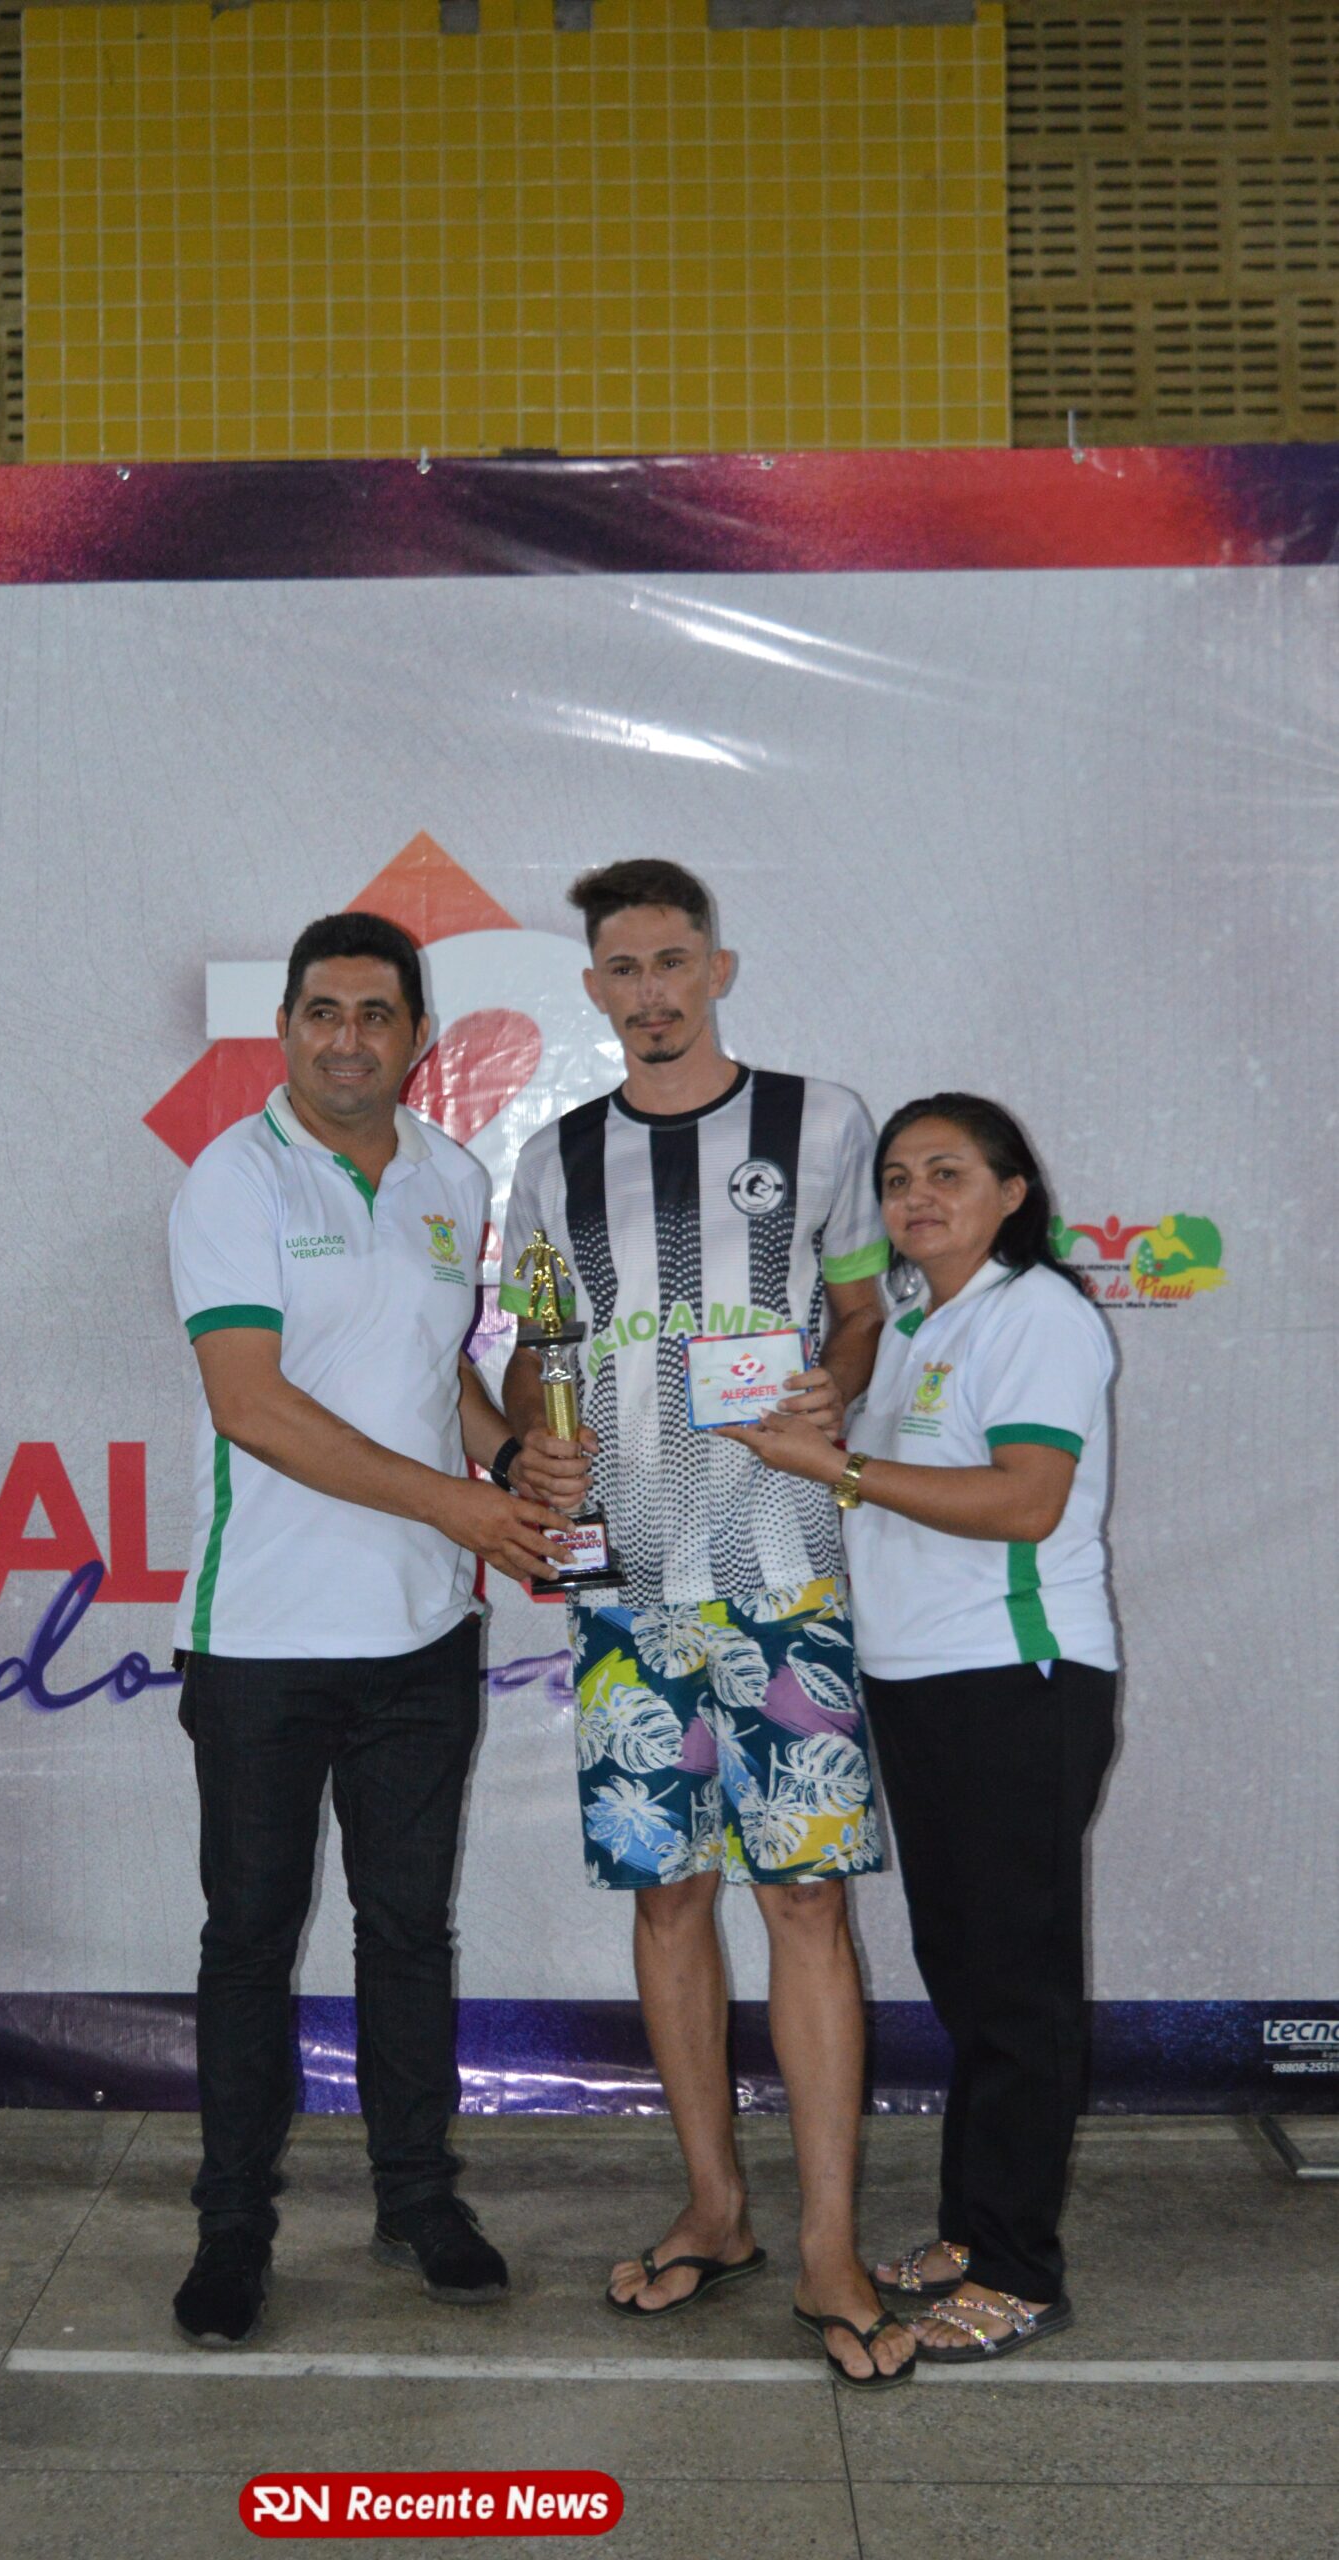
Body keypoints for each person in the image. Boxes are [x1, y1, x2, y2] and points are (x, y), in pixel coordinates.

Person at [497, 859, 913, 2389]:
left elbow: (859, 1308)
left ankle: (827, 2246)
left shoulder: (822, 1122)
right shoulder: (550, 1157)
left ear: (717, 969)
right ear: (592, 989)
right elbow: (535, 1348)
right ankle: (715, 2208)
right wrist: (527, 1447)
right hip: (625, 1590)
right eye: (622, 969)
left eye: (673, 961)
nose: (651, 992)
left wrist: (832, 1387)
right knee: (667, 1900)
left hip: (781, 1573)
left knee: (804, 1906)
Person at [166, 910, 582, 2347]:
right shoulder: (232, 1178)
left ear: (416, 1036)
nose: (348, 1038)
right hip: (263, 1636)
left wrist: (505, 1460)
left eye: (375, 1014)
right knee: (248, 1938)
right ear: (285, 1027)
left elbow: (431, 1375)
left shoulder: (450, 1177)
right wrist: (459, 1502)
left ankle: (417, 2201)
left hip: (419, 1632)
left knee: (406, 1932)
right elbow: (252, 1404)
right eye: (322, 1012)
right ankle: (233, 2226)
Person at [724, 1093, 1118, 2364]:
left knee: (1015, 1988)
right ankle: (968, 2228)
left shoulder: (1036, 1313)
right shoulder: (910, 1326)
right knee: (965, 1970)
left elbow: (1025, 1500)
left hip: (1017, 1675)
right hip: (918, 1680)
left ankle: (1018, 2271)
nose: (915, 1196)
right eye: (897, 1178)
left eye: (948, 1172)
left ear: (1012, 1192)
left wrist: (833, 1469)